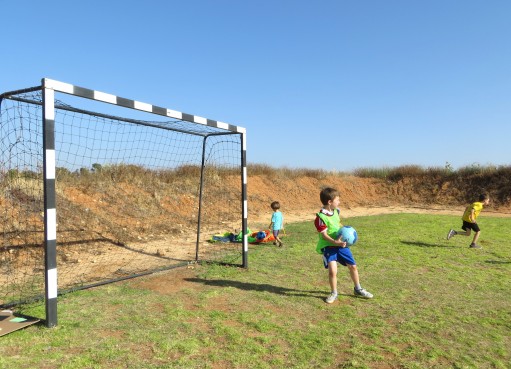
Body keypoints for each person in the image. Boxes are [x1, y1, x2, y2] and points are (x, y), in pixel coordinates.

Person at [314, 187, 373, 303]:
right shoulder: (320, 218)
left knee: (353, 266)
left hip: (342, 245)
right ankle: (334, 293)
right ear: (330, 202)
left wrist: (345, 231)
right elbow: (324, 235)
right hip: (329, 246)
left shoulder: (336, 211)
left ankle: (358, 289)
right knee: (332, 271)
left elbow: (337, 223)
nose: (339, 202)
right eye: (338, 200)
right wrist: (335, 242)